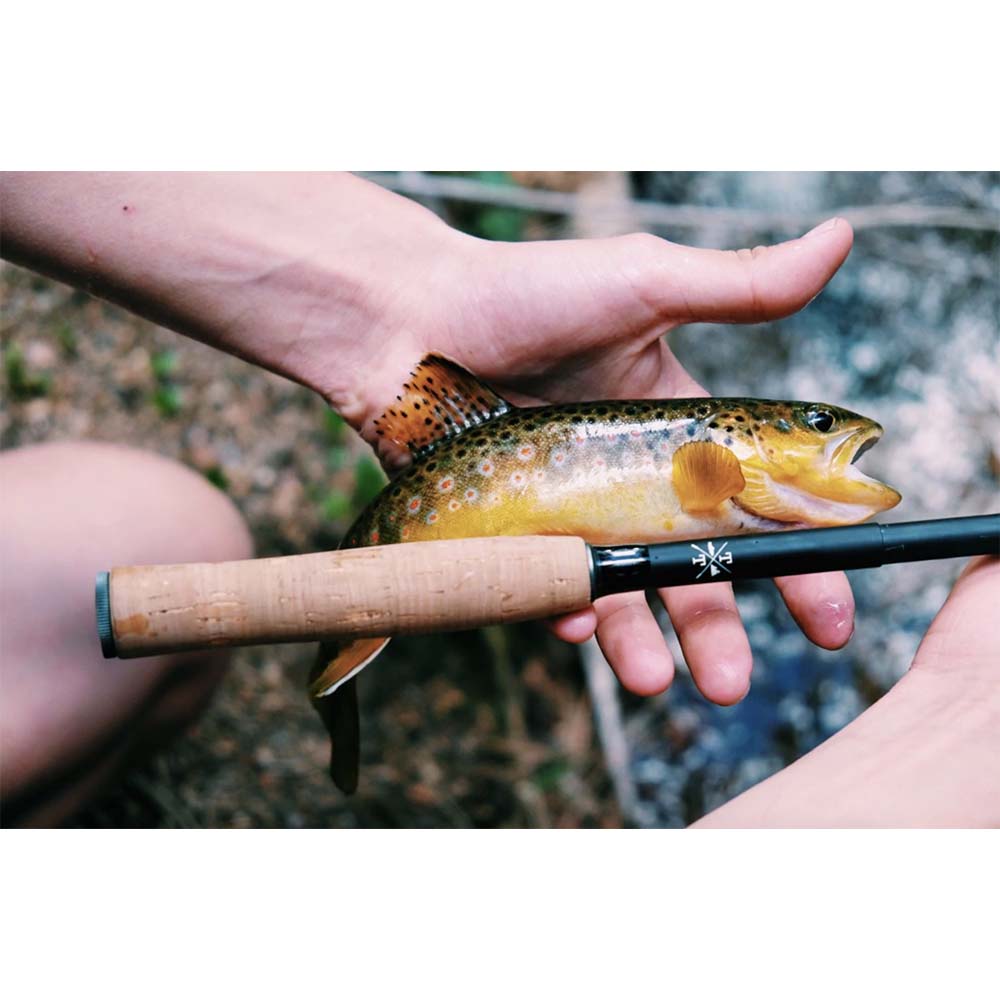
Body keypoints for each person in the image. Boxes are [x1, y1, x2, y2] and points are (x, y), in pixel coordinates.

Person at [1, 172, 994, 826]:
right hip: (457, 473)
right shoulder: (710, 462)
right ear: (741, 443)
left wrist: (396, 300)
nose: (834, 442)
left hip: (458, 465)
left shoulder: (732, 468)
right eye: (815, 428)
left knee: (178, 532)